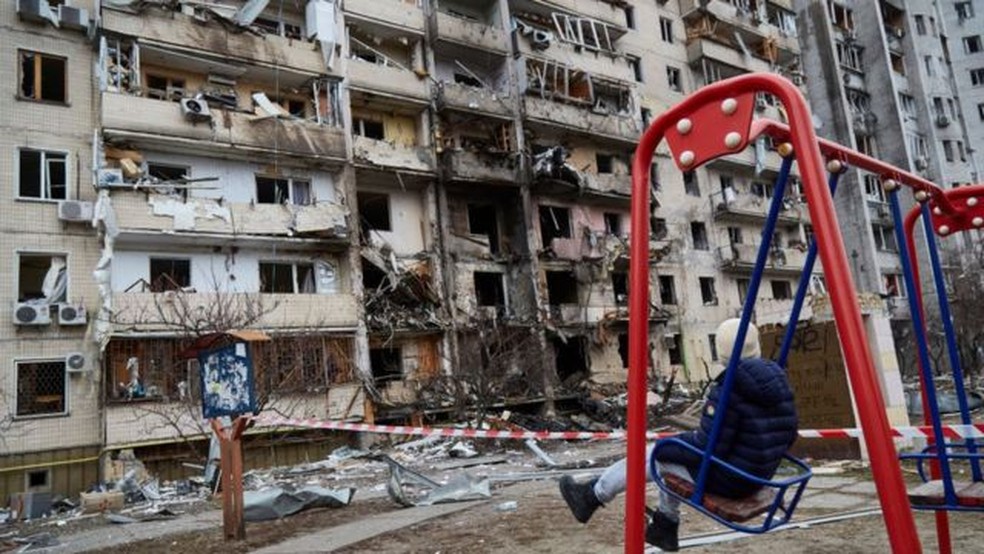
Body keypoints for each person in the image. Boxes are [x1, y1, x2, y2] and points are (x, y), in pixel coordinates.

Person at [559, 318, 798, 551]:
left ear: (721, 351)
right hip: (757, 475)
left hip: (731, 481)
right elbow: (789, 434)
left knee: (656, 455)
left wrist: (672, 443)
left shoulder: (729, 389)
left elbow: (708, 448)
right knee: (672, 459)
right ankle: (665, 525)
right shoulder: (778, 382)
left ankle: (592, 496)